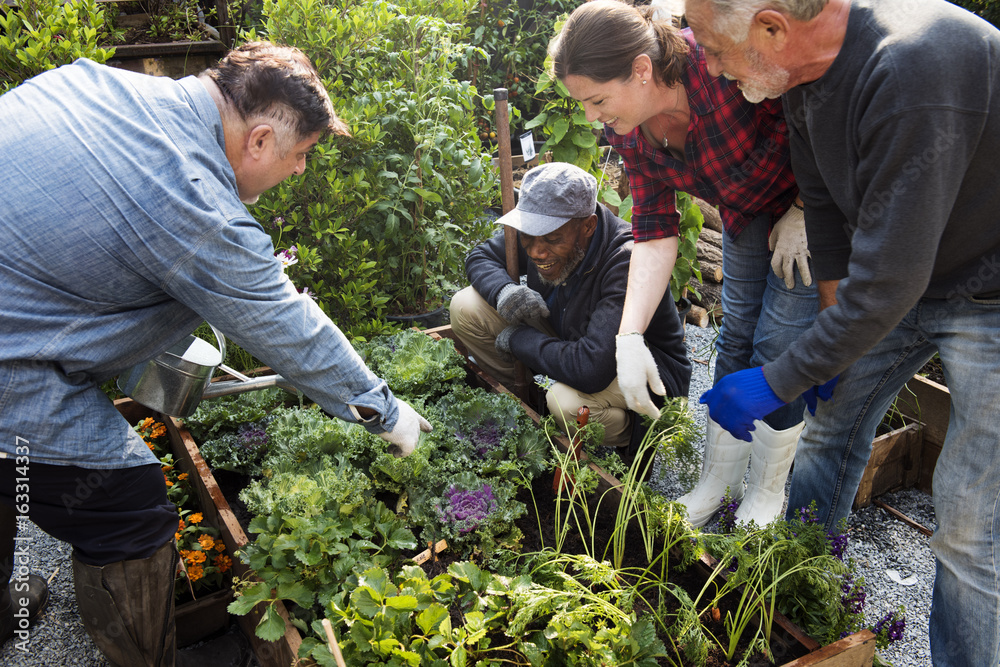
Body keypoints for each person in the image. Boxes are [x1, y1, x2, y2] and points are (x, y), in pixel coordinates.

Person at [0, 42, 432, 666]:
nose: (302, 170)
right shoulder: (195, 201)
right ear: (259, 140)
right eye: (302, 154)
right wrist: (386, 414)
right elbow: (289, 327)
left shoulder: (99, 86)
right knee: (129, 507)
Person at [683, 0, 1000, 664]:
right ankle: (805, 603)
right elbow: (825, 212)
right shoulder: (802, 81)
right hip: (912, 270)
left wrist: (777, 379)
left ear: (772, 28)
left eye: (713, 49)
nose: (706, 67)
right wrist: (831, 336)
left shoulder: (912, 67)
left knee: (970, 521)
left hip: (989, 290)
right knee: (828, 428)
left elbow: (887, 285)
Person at [548, 0, 817, 526]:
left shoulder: (721, 64)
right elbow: (653, 228)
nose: (590, 116)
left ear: (642, 70)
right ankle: (715, 482)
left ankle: (766, 493)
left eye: (597, 99)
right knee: (736, 335)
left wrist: (806, 207)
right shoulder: (628, 128)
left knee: (778, 343)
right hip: (744, 213)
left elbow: (808, 116)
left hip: (808, 213)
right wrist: (627, 339)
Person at [450, 161, 690, 450]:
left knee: (566, 403)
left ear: (588, 226)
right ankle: (528, 405)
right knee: (465, 306)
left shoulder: (625, 259)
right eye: (529, 236)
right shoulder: (543, 233)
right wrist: (504, 291)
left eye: (552, 239)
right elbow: (481, 256)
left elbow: (591, 368)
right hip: (572, 340)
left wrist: (518, 339)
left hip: (642, 374)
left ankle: (633, 436)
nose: (537, 251)